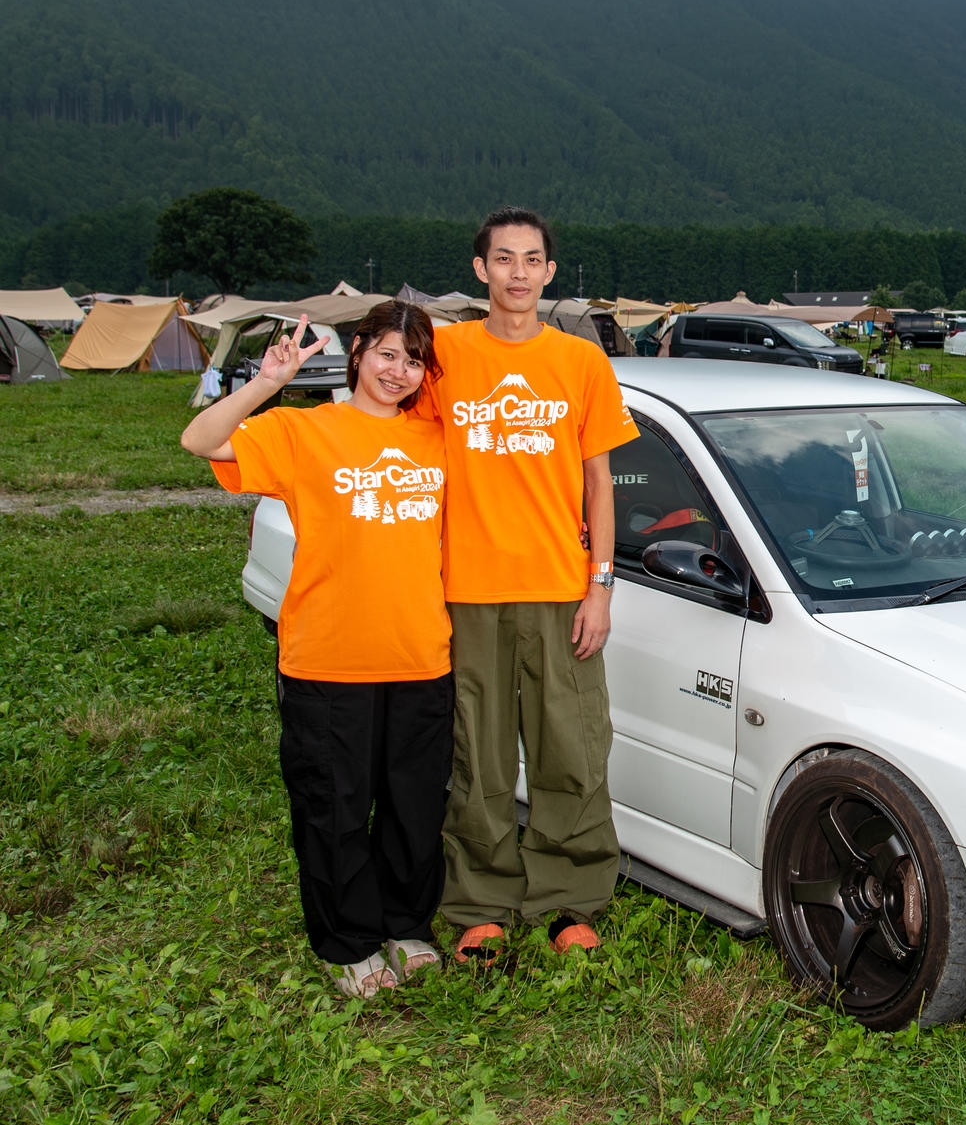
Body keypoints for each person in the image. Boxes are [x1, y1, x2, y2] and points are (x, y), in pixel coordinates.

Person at [181, 303, 451, 999]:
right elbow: (200, 439)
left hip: (421, 653)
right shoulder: (305, 431)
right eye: (387, 353)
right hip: (328, 657)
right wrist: (269, 382)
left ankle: (403, 923)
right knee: (333, 804)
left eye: (414, 359)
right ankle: (347, 939)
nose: (399, 371)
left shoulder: (435, 438)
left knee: (412, 804)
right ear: (358, 352)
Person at [416, 207, 638, 961]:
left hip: (558, 589)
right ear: (480, 269)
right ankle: (478, 901)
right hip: (465, 591)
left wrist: (600, 584)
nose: (517, 271)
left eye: (532, 258)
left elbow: (601, 483)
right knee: (474, 753)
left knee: (569, 749)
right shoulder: (442, 356)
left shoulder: (579, 363)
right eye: (503, 257)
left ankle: (569, 899)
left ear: (549, 271)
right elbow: (391, 432)